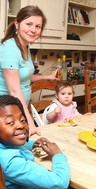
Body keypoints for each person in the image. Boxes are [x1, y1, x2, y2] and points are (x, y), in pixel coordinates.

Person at [0, 95, 95, 189]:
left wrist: (32, 144)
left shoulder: (4, 149)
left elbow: (10, 147)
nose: (20, 126)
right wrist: (58, 156)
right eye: (10, 122)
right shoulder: (11, 162)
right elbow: (59, 183)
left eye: (23, 120)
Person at [0, 5, 59, 136]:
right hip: (4, 111)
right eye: (29, 24)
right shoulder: (9, 48)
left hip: (15, 110)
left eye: (38, 26)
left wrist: (46, 77)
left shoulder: (25, 46)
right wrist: (30, 122)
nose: (33, 30)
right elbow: (14, 90)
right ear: (17, 24)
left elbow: (24, 77)